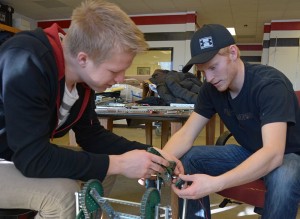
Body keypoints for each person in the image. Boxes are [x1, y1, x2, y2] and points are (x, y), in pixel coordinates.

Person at [0, 0, 181, 218]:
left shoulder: (83, 80)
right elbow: (33, 158)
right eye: (115, 70)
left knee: (105, 171)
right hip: (16, 156)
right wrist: (120, 163)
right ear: (83, 58)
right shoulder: (27, 60)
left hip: (17, 154)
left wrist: (148, 153)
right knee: (63, 195)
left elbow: (92, 136)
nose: (121, 79)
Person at [163, 24, 300, 219]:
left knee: (284, 178)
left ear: (233, 53)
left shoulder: (269, 85)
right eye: (203, 71)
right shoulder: (210, 89)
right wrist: (159, 163)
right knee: (189, 158)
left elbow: (273, 154)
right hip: (249, 151)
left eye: (213, 67)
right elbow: (187, 133)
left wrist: (216, 182)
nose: (209, 78)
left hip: (287, 155)